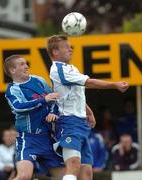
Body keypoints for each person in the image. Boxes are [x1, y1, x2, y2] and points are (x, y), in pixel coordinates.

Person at [47, 35, 129, 180]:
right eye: (66, 47)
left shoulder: (70, 68)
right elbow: (89, 83)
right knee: (73, 165)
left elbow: (74, 94)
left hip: (81, 124)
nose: (70, 49)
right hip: (68, 122)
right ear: (55, 52)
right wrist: (114, 84)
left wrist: (89, 112)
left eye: (70, 46)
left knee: (87, 173)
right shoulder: (58, 69)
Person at [4, 55, 65, 180]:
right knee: (24, 176)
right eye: (21, 64)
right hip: (28, 139)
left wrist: (52, 112)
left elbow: (53, 99)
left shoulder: (39, 80)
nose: (26, 66)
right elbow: (19, 107)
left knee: (66, 177)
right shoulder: (12, 89)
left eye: (26, 63)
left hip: (47, 138)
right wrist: (44, 100)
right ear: (12, 70)